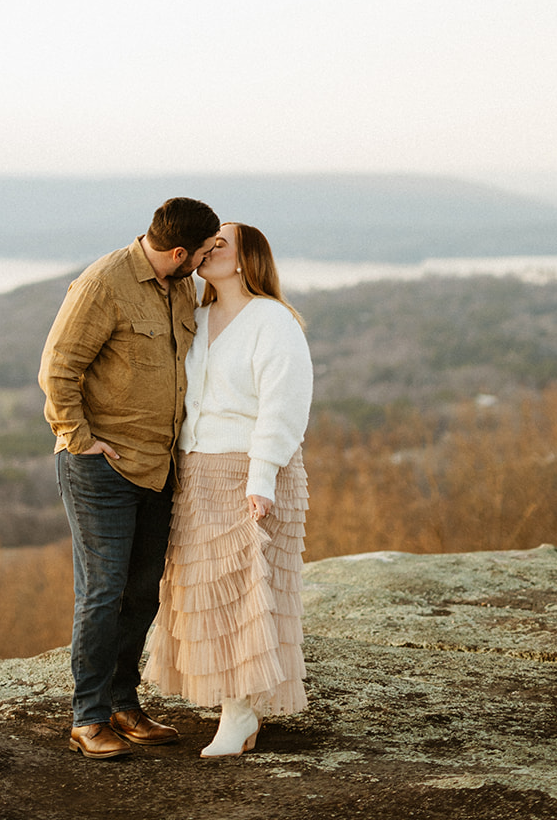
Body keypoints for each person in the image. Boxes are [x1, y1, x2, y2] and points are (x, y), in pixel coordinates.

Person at [38, 196, 222, 759]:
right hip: (102, 468)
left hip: (160, 466)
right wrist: (79, 441)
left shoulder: (182, 285)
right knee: (102, 593)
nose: (209, 258)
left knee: (142, 593)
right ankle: (87, 717)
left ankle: (123, 703)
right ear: (179, 251)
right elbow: (57, 368)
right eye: (205, 250)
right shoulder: (103, 284)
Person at [143, 220, 313, 758]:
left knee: (246, 593)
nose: (208, 250)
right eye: (206, 243)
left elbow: (283, 408)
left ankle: (239, 716)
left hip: (252, 468)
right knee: (201, 593)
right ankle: (233, 706)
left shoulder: (273, 321)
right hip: (195, 471)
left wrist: (261, 478)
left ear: (245, 260)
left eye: (221, 244)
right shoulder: (193, 316)